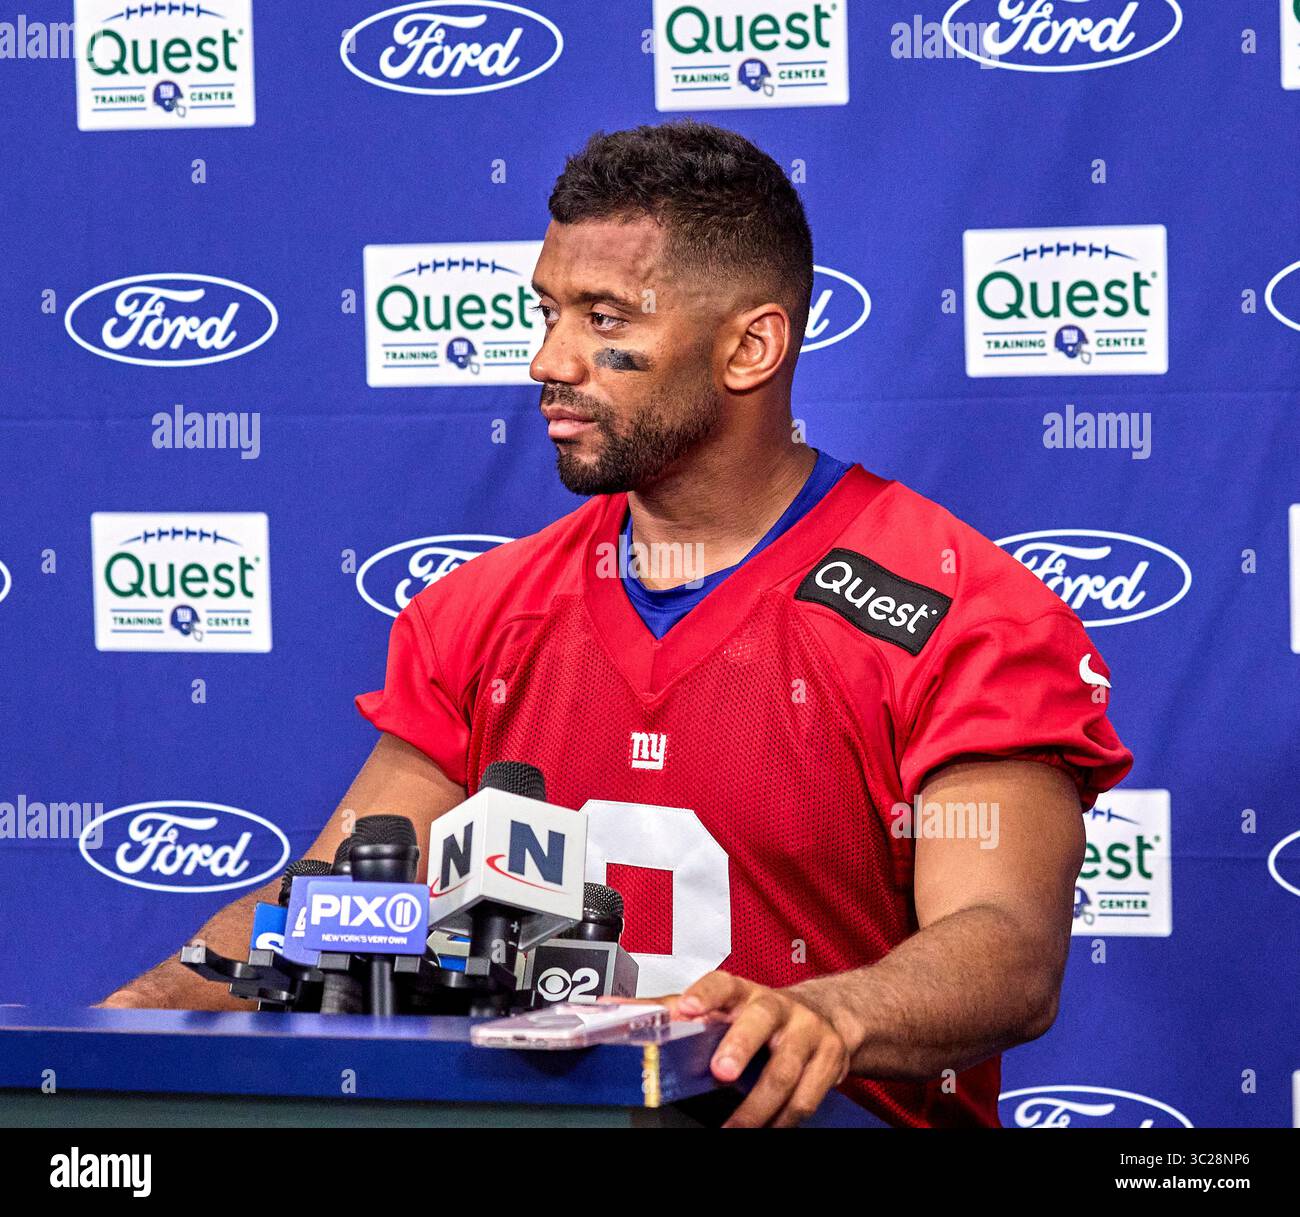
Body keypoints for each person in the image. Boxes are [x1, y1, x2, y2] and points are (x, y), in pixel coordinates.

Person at [101, 119, 1132, 1129]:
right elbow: (331, 912)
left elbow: (1003, 943)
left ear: (750, 346)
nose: (549, 359)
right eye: (546, 311)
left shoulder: (957, 611)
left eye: (604, 319)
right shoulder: (480, 613)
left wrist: (826, 1013)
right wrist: (122, 1029)